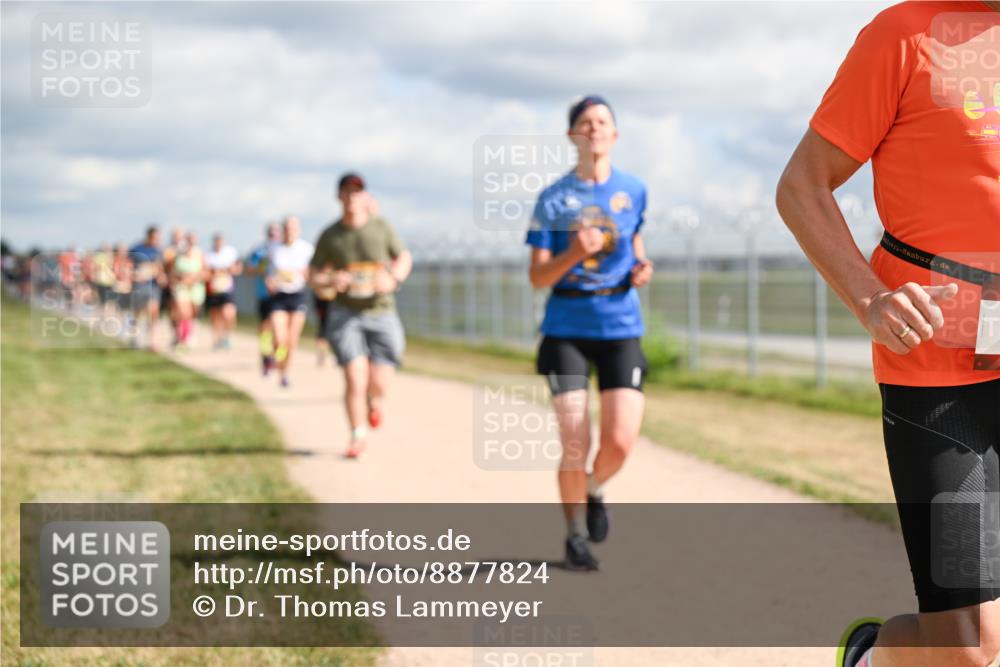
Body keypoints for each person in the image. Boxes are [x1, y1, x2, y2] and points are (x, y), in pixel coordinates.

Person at [775, 3, 1000, 666]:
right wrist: (870, 298)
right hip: (939, 378)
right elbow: (802, 186)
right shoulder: (903, 35)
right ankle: (873, 656)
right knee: (971, 646)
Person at [526, 96, 653, 571]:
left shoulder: (634, 190)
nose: (594, 129)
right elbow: (538, 277)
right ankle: (575, 535)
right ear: (573, 136)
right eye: (585, 122)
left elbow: (635, 244)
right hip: (567, 330)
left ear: (614, 135)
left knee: (620, 441)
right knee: (575, 441)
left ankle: (595, 488)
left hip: (621, 326)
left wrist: (641, 267)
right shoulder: (553, 199)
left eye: (603, 121)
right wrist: (575, 253)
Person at [310, 173, 411, 458]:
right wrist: (331, 281)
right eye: (348, 191)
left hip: (381, 311)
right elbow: (314, 275)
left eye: (358, 191)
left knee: (378, 382)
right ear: (339, 196)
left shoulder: (381, 227)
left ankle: (374, 401)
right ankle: (357, 435)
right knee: (355, 377)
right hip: (345, 313)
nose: (353, 196)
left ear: (365, 197)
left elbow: (404, 258)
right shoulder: (330, 235)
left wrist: (393, 278)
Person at [266, 216, 314, 387]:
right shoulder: (274, 248)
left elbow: (312, 274)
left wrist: (306, 274)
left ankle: (284, 373)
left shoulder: (306, 249)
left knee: (291, 341)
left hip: (297, 295)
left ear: (298, 230)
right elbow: (268, 271)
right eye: (286, 227)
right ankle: (273, 355)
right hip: (279, 296)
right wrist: (269, 281)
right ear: (282, 229)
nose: (289, 231)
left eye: (293, 228)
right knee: (280, 338)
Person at [245, 223, 281, 375]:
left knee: (280, 329)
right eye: (271, 232)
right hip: (264, 294)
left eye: (276, 232)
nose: (273, 235)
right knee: (265, 328)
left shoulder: (285, 249)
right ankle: (266, 358)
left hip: (282, 294)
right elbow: (248, 269)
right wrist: (261, 268)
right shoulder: (259, 250)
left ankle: (278, 357)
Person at [127, 226, 164, 351]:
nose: (157, 240)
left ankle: (152, 342)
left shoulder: (159, 251)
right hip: (139, 286)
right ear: (149, 237)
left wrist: (161, 275)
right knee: (137, 313)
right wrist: (133, 275)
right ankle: (134, 338)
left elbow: (160, 267)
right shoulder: (136, 249)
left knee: (153, 311)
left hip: (153, 286)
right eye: (155, 238)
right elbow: (126, 265)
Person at [204, 233, 242, 349]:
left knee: (229, 314)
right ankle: (217, 338)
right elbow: (204, 271)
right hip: (213, 289)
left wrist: (229, 270)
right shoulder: (208, 254)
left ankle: (226, 335)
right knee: (216, 316)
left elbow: (239, 268)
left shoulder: (231, 252)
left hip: (227, 289)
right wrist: (213, 273)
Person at [170, 231, 206, 349]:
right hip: (181, 287)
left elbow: (205, 271)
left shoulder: (200, 254)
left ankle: (188, 333)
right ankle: (182, 338)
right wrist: (180, 279)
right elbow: (172, 271)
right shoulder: (178, 254)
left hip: (196, 288)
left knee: (193, 314)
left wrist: (194, 279)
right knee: (184, 312)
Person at [161, 227, 186, 345]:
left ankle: (184, 334)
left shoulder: (186, 248)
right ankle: (176, 334)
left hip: (185, 285)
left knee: (184, 311)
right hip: (172, 285)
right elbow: (165, 266)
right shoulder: (168, 250)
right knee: (174, 311)